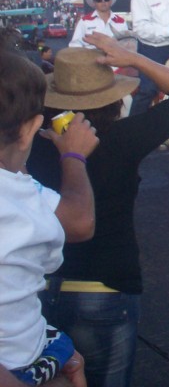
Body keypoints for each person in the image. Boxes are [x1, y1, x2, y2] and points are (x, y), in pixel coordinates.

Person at [28, 33, 169, 387]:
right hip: (106, 286)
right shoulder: (125, 137)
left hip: (40, 287)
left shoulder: (31, 142)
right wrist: (134, 58)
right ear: (111, 98)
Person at [0, 49, 97, 387]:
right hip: (21, 362)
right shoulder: (20, 196)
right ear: (30, 130)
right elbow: (79, 222)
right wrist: (73, 155)